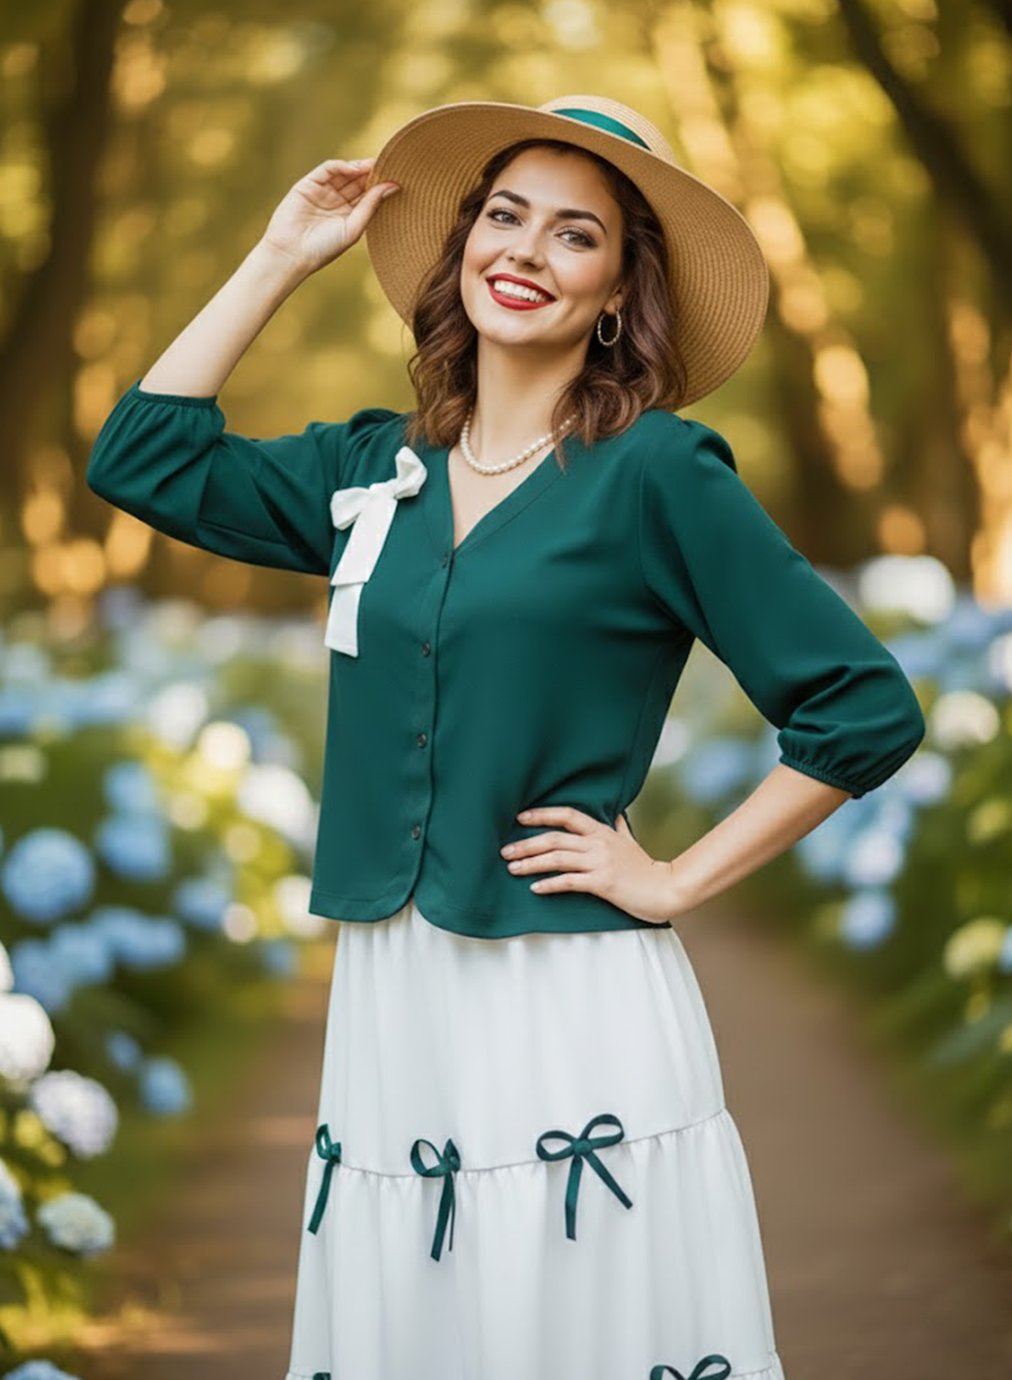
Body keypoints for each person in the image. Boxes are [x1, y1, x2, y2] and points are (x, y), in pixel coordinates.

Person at [85, 95, 926, 1380]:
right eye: (502, 216)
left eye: (573, 236)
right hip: (393, 989)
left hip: (566, 989)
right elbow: (142, 456)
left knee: (573, 1314)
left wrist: (677, 877)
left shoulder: (657, 473)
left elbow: (860, 705)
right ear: (462, 247)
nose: (524, 251)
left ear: (615, 294)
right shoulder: (372, 469)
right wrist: (278, 257)